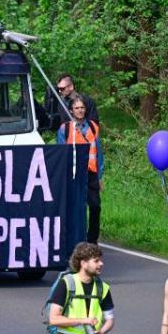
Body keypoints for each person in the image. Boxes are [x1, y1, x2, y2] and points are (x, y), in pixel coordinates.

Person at [47, 242, 114, 334]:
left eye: (100, 260)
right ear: (83, 263)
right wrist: (83, 321)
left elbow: (109, 319)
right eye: (96, 261)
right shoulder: (66, 283)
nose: (101, 264)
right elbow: (54, 319)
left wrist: (101, 332)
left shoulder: (103, 288)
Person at [57, 97, 104, 244]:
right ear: (71, 110)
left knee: (95, 206)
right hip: (74, 174)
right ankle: (75, 238)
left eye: (82, 107)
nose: (80, 110)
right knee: (77, 208)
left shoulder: (93, 127)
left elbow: (99, 153)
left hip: (91, 173)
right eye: (77, 108)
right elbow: (61, 154)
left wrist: (100, 176)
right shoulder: (65, 129)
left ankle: (92, 240)